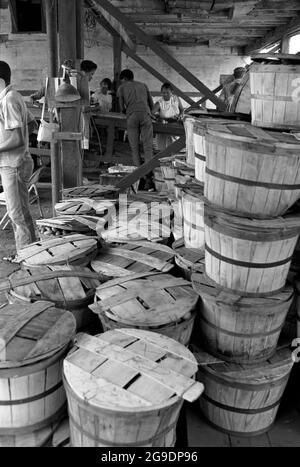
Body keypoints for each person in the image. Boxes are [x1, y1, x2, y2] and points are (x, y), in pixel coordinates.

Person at [0, 61, 38, 262]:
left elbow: (18, 139)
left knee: (17, 215)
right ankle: (32, 251)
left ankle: (25, 257)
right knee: (22, 211)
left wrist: (11, 145)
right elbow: (32, 124)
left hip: (12, 164)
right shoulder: (14, 97)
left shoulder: (8, 100)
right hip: (17, 160)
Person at [117, 69, 154, 167]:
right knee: (148, 146)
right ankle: (148, 173)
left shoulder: (121, 87)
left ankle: (138, 174)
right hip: (146, 114)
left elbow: (121, 107)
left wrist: (126, 112)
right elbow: (151, 104)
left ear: (124, 79)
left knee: (134, 147)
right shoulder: (143, 85)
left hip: (132, 116)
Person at [152, 82, 184, 151]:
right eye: (163, 93)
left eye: (167, 92)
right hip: (164, 126)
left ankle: (172, 159)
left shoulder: (176, 99)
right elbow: (151, 114)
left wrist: (180, 115)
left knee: (173, 147)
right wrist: (158, 118)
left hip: (175, 125)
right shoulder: (159, 103)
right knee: (161, 148)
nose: (165, 94)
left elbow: (181, 109)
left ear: (172, 92)